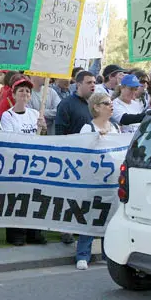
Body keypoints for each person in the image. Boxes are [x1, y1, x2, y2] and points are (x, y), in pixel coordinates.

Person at [0, 77, 47, 247]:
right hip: (17, 163)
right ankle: (16, 234)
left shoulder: (36, 114)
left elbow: (42, 139)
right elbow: (10, 138)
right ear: (13, 94)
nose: (25, 93)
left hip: (35, 163)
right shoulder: (8, 115)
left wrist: (43, 128)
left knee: (35, 198)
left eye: (27, 91)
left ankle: (34, 232)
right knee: (17, 199)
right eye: (21, 90)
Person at [76, 92, 119, 270]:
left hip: (112, 179)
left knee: (110, 217)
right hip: (93, 180)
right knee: (90, 216)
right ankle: (82, 254)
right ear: (96, 107)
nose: (111, 105)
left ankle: (107, 253)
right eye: (106, 103)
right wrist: (95, 140)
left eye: (111, 103)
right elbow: (81, 152)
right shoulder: (88, 129)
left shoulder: (116, 127)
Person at [54, 70, 96, 245]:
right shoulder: (66, 104)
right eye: (89, 82)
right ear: (78, 85)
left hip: (89, 158)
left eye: (94, 82)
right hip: (71, 157)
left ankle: (81, 228)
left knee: (84, 197)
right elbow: (60, 131)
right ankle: (66, 229)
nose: (93, 85)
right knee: (68, 196)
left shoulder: (95, 105)